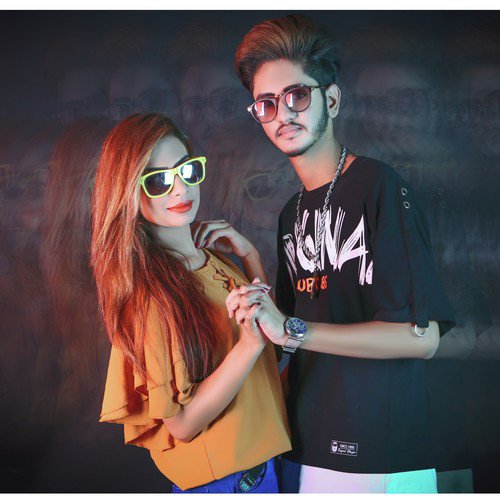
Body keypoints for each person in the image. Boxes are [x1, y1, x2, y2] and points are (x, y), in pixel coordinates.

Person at [230, 14, 456, 493]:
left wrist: (294, 329)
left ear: (331, 100)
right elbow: (288, 333)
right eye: (266, 104)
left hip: (381, 457)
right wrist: (251, 263)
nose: (282, 114)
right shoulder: (290, 214)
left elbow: (421, 338)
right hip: (305, 449)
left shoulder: (379, 187)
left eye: (297, 95)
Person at [90, 112, 290, 493]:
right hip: (228, 481)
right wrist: (248, 346)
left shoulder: (211, 260)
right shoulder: (152, 296)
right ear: (129, 192)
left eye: (187, 170)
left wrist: (250, 258)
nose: (181, 189)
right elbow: (181, 424)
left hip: (261, 465)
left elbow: (270, 342)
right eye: (159, 181)